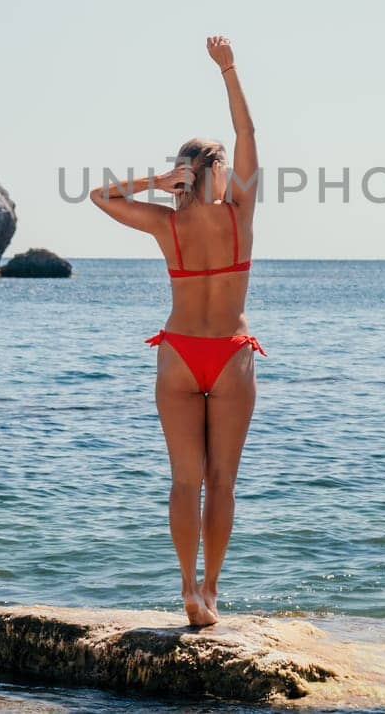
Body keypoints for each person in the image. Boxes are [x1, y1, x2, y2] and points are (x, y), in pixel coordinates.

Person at [89, 35, 260, 627]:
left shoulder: (167, 223)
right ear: (218, 170)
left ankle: (186, 587)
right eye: (220, 160)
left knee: (185, 481)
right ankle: (210, 593)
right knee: (222, 482)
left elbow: (99, 195)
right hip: (230, 354)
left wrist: (157, 181)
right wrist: (229, 69)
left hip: (179, 354)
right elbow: (249, 135)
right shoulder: (239, 213)